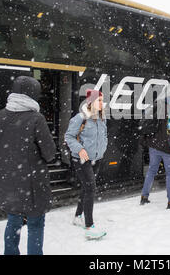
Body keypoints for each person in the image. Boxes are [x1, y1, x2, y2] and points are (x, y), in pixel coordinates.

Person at [0, 76, 56, 255]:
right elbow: (50, 153)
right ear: (33, 94)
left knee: (13, 221)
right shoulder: (36, 119)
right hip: (32, 184)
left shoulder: (0, 116)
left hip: (8, 180)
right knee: (35, 224)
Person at [65, 89, 108, 239]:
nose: (103, 103)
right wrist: (80, 149)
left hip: (97, 159)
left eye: (103, 100)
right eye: (100, 100)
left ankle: (78, 216)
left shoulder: (102, 118)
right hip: (82, 159)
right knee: (91, 189)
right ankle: (89, 227)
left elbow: (104, 135)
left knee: (86, 187)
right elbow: (68, 137)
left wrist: (103, 149)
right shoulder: (80, 118)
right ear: (91, 102)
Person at [139, 116, 170, 209]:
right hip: (168, 148)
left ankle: (144, 196)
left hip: (154, 145)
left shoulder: (158, 108)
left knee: (151, 171)